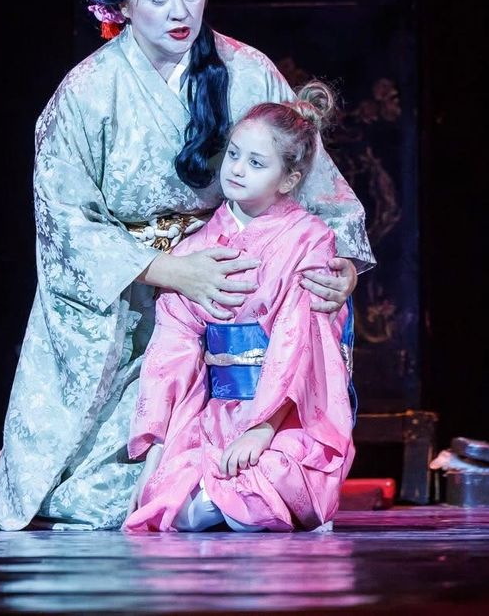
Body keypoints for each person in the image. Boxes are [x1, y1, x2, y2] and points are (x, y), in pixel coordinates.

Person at [0, 0, 373, 530]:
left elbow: (316, 184)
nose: (180, 12)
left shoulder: (247, 71)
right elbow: (65, 223)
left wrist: (340, 268)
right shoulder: (87, 93)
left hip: (234, 298)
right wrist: (170, 271)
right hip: (129, 305)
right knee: (103, 492)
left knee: (238, 450)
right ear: (123, 3)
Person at [124, 83, 355, 533]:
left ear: (288, 180)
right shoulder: (197, 248)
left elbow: (299, 344)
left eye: (256, 163)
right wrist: (156, 452)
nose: (237, 169)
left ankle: (249, 497)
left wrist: (262, 429)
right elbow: (172, 354)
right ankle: (219, 497)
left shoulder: (309, 241)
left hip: (286, 415)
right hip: (214, 416)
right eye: (233, 155)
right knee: (169, 502)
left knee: (270, 482)